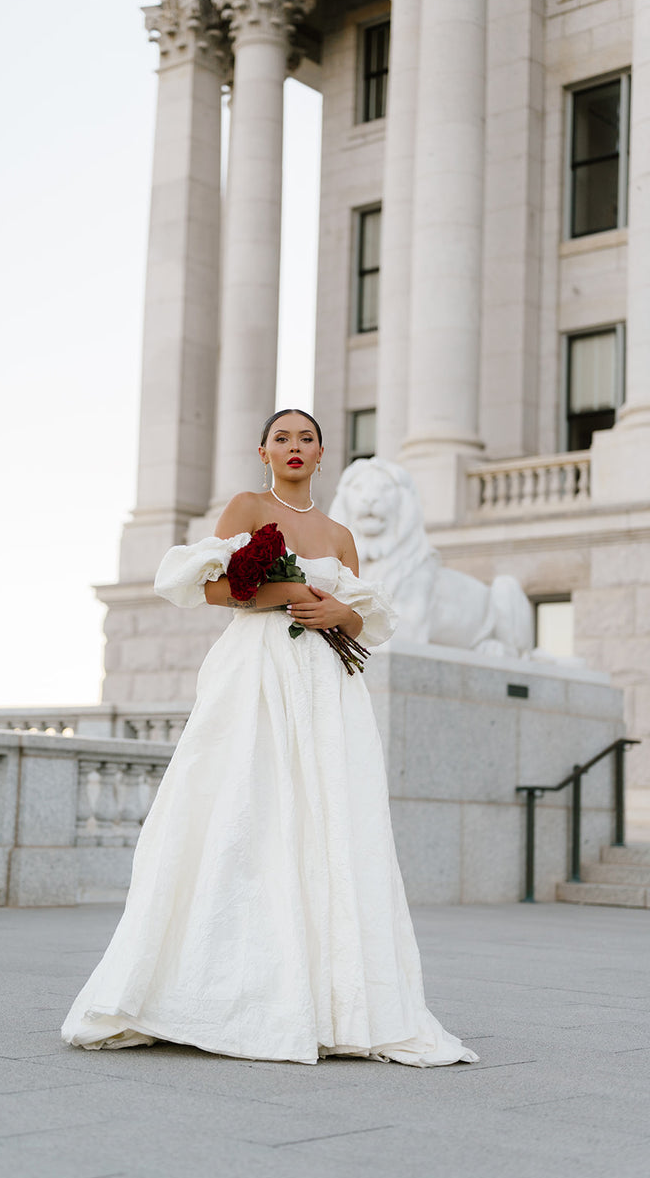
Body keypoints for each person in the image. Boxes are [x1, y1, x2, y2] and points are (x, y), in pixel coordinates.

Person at [61, 409, 478, 1067]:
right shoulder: (249, 506)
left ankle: (334, 1000)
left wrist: (340, 611)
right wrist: (281, 590)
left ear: (321, 454)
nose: (293, 446)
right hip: (255, 677)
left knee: (327, 821)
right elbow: (213, 587)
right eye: (281, 437)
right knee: (245, 809)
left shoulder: (341, 535)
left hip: (325, 688)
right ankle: (211, 991)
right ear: (264, 450)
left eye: (305, 438)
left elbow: (364, 615)